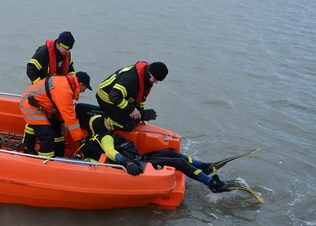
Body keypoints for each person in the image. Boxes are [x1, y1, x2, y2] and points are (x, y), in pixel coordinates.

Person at [74, 103, 235, 193]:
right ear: (99, 125)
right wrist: (126, 163)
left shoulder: (103, 133)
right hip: (139, 164)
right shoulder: (105, 137)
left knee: (171, 152)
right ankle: (212, 183)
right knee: (179, 162)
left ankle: (204, 167)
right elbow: (110, 152)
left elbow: (121, 121)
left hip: (139, 159)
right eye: (105, 121)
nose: (108, 122)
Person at [23, 31, 76, 151]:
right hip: (40, 94)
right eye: (65, 48)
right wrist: (41, 87)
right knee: (34, 121)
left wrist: (71, 84)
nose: (66, 52)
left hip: (56, 93)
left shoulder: (67, 55)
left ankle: (58, 149)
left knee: (56, 120)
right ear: (58, 43)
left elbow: (70, 70)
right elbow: (30, 69)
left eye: (68, 49)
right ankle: (28, 147)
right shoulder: (43, 52)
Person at [20, 72, 92, 158]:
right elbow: (71, 118)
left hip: (37, 103)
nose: (83, 91)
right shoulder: (65, 90)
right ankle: (44, 159)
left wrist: (61, 121)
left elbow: (60, 107)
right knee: (47, 135)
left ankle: (29, 148)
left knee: (52, 128)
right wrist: (80, 139)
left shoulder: (65, 84)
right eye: (85, 88)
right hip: (30, 105)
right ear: (80, 84)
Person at [96, 61, 168, 132]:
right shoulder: (131, 79)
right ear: (150, 72)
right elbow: (114, 96)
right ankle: (105, 121)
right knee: (129, 125)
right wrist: (132, 109)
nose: (156, 82)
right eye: (155, 79)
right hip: (106, 98)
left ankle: (113, 117)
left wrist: (140, 114)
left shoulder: (147, 79)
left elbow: (141, 99)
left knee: (136, 119)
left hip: (119, 98)